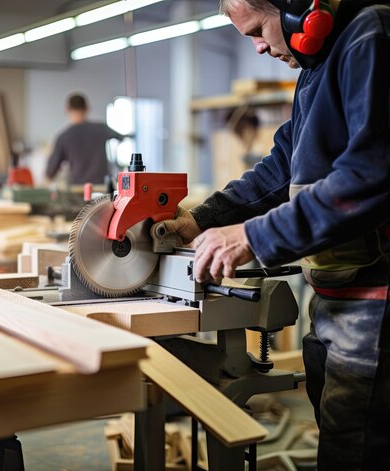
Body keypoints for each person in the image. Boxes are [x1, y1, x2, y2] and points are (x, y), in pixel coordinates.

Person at [162, 0, 390, 468]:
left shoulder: (371, 36)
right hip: (334, 295)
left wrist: (252, 236)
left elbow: (368, 177)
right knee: (341, 440)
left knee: (356, 451)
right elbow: (282, 166)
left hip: (377, 303)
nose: (260, 47)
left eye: (258, 31)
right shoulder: (316, 65)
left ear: (295, 7)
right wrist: (203, 219)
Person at [45, 93, 124, 185]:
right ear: (87, 108)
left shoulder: (63, 137)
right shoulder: (102, 129)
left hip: (78, 191)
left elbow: (50, 172)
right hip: (101, 188)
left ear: (67, 109)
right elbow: (120, 137)